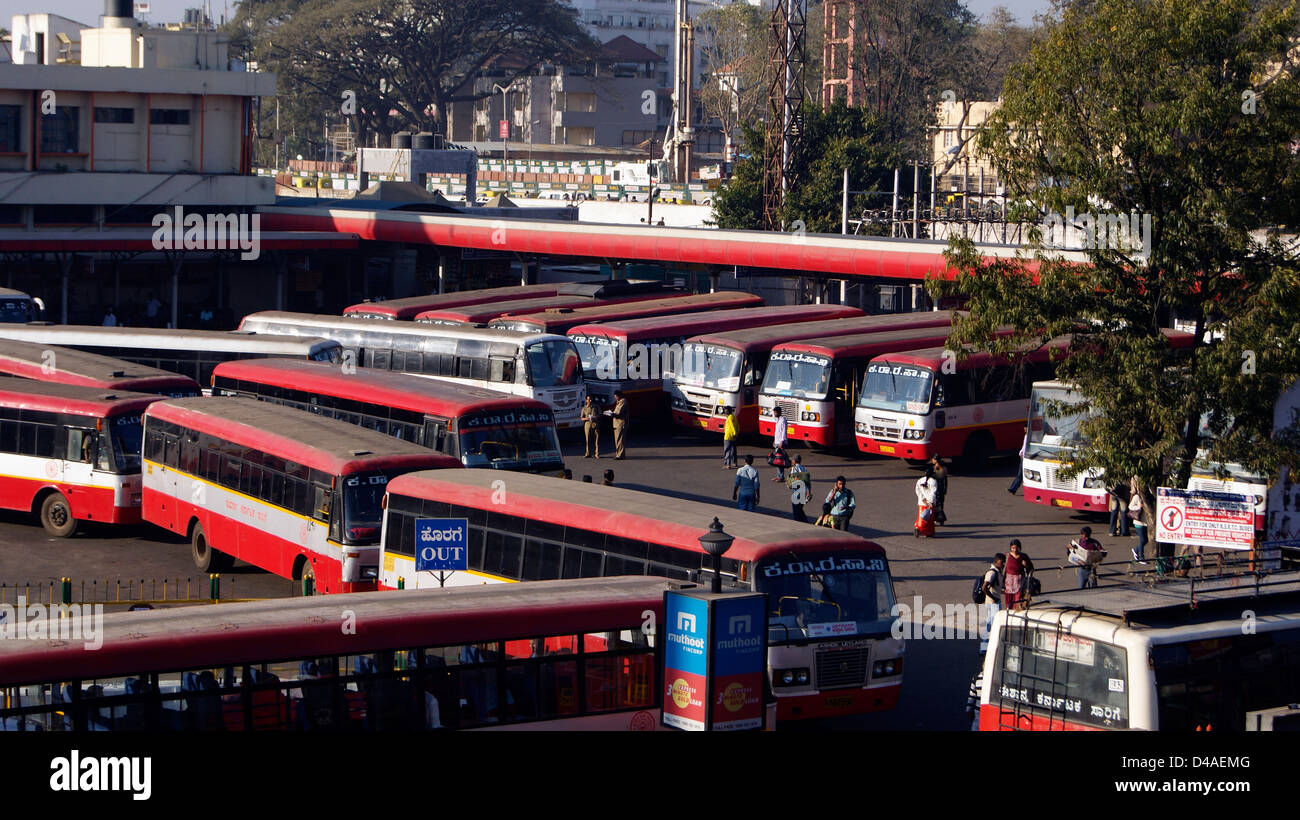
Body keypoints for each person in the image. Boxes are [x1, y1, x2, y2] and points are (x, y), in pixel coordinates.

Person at [980, 553, 1006, 653]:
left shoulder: (998, 572)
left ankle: (985, 647)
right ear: (997, 562)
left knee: (991, 624)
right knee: (992, 625)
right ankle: (986, 647)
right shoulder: (992, 573)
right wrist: (994, 598)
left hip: (994, 601)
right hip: (993, 603)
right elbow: (984, 588)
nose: (1003, 564)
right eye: (1002, 562)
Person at [1002, 539, 1034, 610]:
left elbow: (1031, 568)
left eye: (1016, 548)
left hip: (1019, 583)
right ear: (1010, 548)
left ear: (1020, 548)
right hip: (1008, 585)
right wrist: (1002, 585)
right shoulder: (1006, 556)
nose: (1015, 550)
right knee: (1008, 603)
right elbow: (1002, 570)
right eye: (1013, 548)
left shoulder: (1024, 556)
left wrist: (1026, 565)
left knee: (1018, 602)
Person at [1129, 475, 1150, 564]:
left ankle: (1136, 550)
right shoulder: (1137, 497)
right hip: (1138, 522)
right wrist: (1138, 506)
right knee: (1142, 539)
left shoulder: (1149, 497)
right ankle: (1141, 557)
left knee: (1146, 539)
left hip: (1145, 522)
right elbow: (1130, 506)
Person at [914, 468, 938, 537]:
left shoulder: (920, 480)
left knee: (921, 517)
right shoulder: (933, 481)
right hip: (929, 503)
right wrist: (931, 502)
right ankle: (926, 531)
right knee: (929, 519)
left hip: (921, 502)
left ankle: (918, 527)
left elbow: (917, 491)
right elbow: (933, 493)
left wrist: (922, 498)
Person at [605, 390, 628, 460]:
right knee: (617, 440)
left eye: (615, 396)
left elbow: (618, 413)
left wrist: (610, 413)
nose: (615, 398)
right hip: (617, 424)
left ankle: (620, 455)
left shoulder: (623, 402)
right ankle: (618, 454)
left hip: (620, 424)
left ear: (618, 396)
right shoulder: (619, 402)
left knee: (620, 440)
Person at [788, 455, 810, 522]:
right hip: (803, 492)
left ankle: (798, 524)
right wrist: (809, 491)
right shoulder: (803, 468)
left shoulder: (794, 469)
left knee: (796, 512)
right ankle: (806, 522)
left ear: (795, 461)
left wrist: (789, 485)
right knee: (800, 509)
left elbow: (792, 481)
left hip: (797, 492)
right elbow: (807, 481)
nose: (791, 461)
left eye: (792, 460)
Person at [929, 455, 949, 525]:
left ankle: (938, 519)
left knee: (937, 504)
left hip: (937, 488)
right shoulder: (942, 468)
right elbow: (946, 480)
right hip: (939, 488)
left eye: (933, 459)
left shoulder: (935, 469)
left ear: (936, 460)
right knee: (939, 504)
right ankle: (939, 520)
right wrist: (945, 488)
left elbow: (945, 479)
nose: (932, 460)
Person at [770, 406, 789, 481]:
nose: (774, 413)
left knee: (779, 460)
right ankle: (779, 475)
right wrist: (775, 441)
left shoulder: (783, 420)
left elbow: (783, 431)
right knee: (777, 460)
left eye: (775, 412)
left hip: (781, 442)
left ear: (779, 412)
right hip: (777, 442)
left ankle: (781, 476)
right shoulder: (777, 420)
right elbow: (777, 432)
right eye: (774, 412)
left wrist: (781, 441)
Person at [1008, 425, 1028, 494]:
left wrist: (1023, 454)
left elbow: (1025, 447)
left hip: (1024, 457)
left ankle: (1013, 488)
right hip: (1022, 456)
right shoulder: (1026, 436)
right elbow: (1024, 447)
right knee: (1020, 474)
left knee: (1020, 474)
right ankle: (1013, 488)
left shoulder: (1029, 436)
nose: (1024, 429)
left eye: (1026, 428)